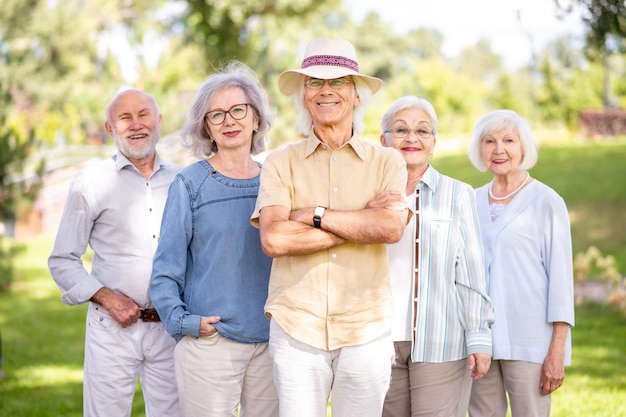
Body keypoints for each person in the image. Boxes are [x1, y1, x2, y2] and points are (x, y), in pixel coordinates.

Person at [251, 37, 410, 417]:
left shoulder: (388, 161)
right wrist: (360, 221)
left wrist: (314, 214)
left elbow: (390, 229)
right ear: (304, 95)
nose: (326, 91)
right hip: (297, 327)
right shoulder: (279, 162)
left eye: (338, 82)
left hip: (365, 329)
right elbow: (273, 238)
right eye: (315, 82)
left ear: (356, 95)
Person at [149, 61, 278, 417]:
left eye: (238, 110)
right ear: (206, 127)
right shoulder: (190, 184)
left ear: (256, 118)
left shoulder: (277, 182)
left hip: (272, 343)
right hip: (210, 343)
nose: (229, 121)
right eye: (216, 115)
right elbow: (165, 271)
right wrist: (184, 323)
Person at [48, 89, 182, 417]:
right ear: (110, 128)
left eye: (143, 114)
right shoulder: (91, 183)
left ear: (159, 121)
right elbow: (62, 259)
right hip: (111, 329)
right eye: (124, 118)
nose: (136, 125)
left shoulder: (184, 180)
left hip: (171, 328)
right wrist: (109, 298)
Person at [369, 96, 494, 417]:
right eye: (401, 130)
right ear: (383, 141)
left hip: (440, 341)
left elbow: (471, 271)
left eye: (422, 131)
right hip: (375, 340)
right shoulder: (365, 193)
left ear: (433, 143)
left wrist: (479, 336)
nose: (412, 138)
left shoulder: (458, 194)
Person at [466, 110, 575, 417]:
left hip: (531, 342)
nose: (498, 149)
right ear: (480, 149)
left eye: (508, 140)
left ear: (523, 147)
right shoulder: (470, 200)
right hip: (480, 341)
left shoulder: (547, 202)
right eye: (489, 141)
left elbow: (561, 282)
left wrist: (556, 351)